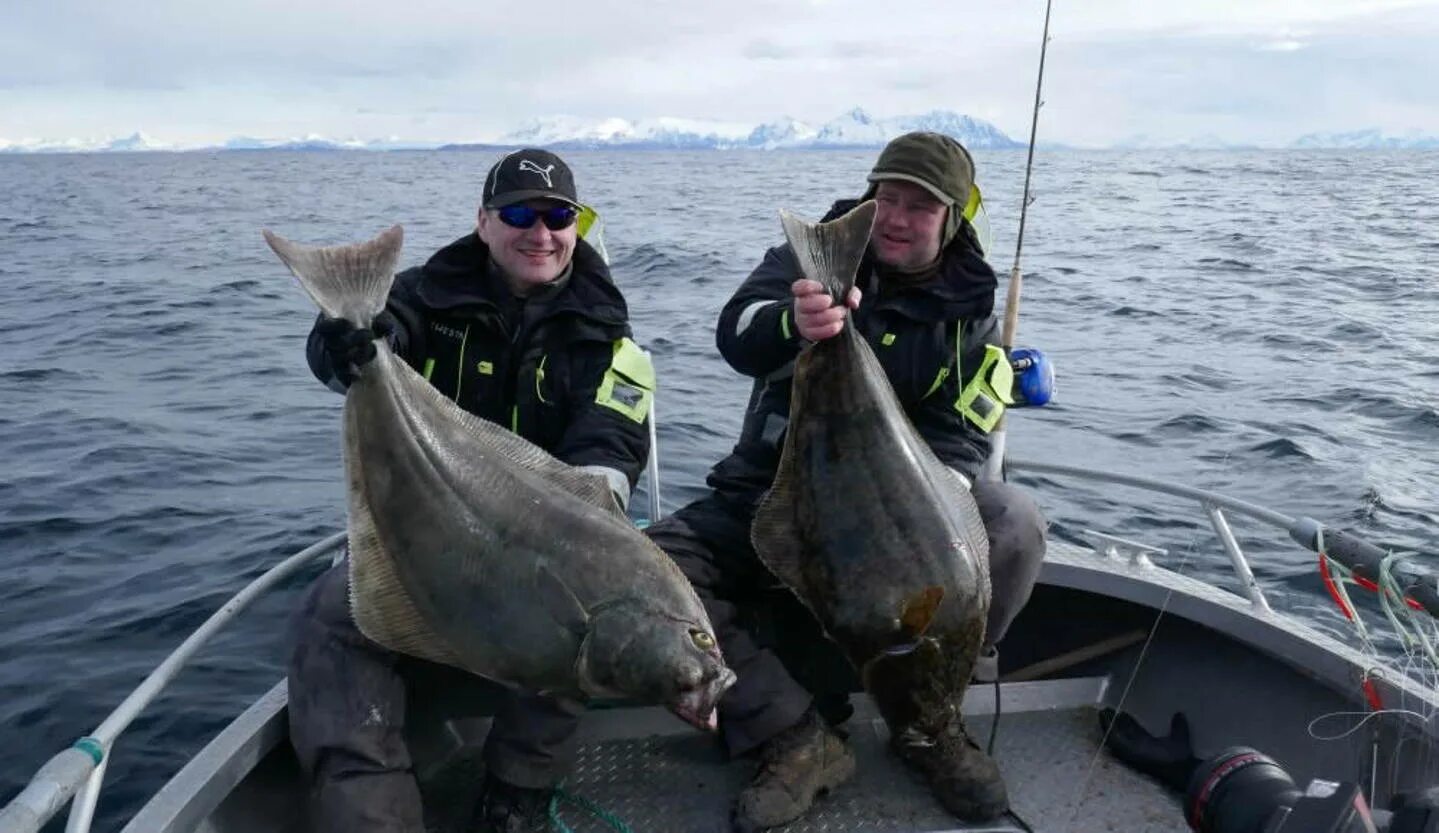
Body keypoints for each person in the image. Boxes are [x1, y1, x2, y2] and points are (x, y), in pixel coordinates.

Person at [644, 131, 1049, 831]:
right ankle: (793, 737)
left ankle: (929, 722)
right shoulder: (806, 261)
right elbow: (737, 333)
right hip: (773, 490)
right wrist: (794, 320)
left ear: (951, 217)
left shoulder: (972, 315)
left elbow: (962, 435)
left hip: (903, 506)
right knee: (647, 574)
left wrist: (916, 525)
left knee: (1013, 525)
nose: (894, 217)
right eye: (885, 197)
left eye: (918, 205)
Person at [286, 148, 656, 833]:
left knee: (591, 612)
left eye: (556, 216)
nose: (538, 232)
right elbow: (350, 352)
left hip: (543, 549)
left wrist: (588, 518)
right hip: (422, 536)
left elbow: (610, 442)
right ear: (483, 222)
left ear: (577, 226)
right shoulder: (424, 294)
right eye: (518, 213)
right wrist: (348, 343)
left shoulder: (610, 338)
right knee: (331, 620)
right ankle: (372, 815)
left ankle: (517, 789)